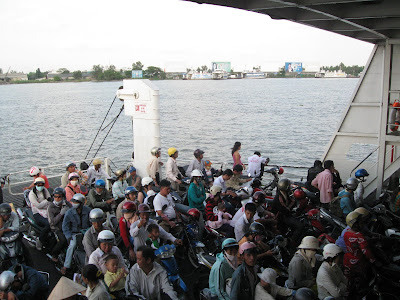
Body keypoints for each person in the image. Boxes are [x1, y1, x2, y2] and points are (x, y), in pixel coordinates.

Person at [343, 211, 376, 297]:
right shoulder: (359, 236)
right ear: (355, 224)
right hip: (358, 261)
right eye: (360, 222)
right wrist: (373, 260)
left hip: (347, 259)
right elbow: (366, 251)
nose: (362, 224)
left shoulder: (346, 233)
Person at [61, 193, 91, 275]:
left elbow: (92, 223)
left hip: (86, 232)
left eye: (76, 202)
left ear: (81, 203)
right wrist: (69, 236)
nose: (74, 204)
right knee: (72, 246)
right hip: (75, 234)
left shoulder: (88, 210)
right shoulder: (69, 213)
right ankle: (66, 266)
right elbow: (65, 227)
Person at [272, 178, 304, 243]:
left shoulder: (284, 194)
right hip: (282, 217)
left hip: (286, 214)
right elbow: (285, 210)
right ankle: (292, 241)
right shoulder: (279, 198)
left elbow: (291, 202)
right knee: (300, 226)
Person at [28, 177, 51, 250]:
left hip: (46, 210)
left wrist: (45, 202)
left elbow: (49, 199)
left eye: (41, 185)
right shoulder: (32, 194)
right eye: (38, 185)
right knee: (49, 224)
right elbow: (38, 206)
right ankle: (40, 239)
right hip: (37, 213)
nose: (40, 186)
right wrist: (46, 201)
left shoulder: (45, 190)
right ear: (35, 185)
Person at [47, 187, 69, 262]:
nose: (57, 198)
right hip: (57, 228)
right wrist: (61, 214)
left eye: (59, 197)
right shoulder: (51, 207)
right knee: (63, 240)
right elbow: (52, 222)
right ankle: (54, 254)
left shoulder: (66, 204)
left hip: (67, 226)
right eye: (55, 196)